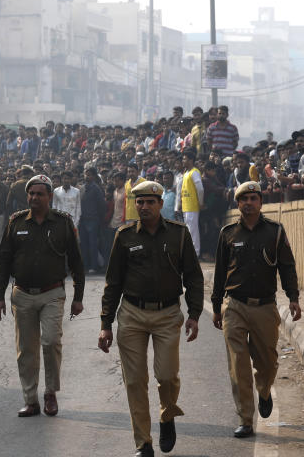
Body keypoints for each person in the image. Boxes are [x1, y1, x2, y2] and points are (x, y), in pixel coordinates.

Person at [98, 181, 204, 457]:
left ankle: (167, 416)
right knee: (135, 381)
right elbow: (113, 282)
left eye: (149, 202)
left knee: (167, 376)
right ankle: (143, 442)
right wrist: (105, 324)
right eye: (139, 202)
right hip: (132, 313)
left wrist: (194, 314)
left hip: (168, 314)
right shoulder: (124, 236)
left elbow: (193, 276)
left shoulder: (179, 235)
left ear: (160, 204)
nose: (144, 207)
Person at [211, 181, 301, 439]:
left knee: (268, 362)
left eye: (253, 198)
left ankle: (264, 391)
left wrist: (293, 297)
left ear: (260, 202)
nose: (248, 202)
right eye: (244, 199)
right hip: (235, 306)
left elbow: (287, 266)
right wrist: (216, 307)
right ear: (237, 203)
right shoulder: (227, 233)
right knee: (238, 364)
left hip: (265, 306)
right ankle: (245, 419)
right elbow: (219, 273)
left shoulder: (275, 231)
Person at [0, 174, 85, 417]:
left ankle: (50, 393)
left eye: (39, 194)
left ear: (49, 197)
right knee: (26, 349)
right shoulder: (16, 222)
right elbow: (3, 260)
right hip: (22, 294)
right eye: (31, 194)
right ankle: (31, 399)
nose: (34, 198)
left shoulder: (63, 223)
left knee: (51, 341)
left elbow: (76, 260)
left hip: (52, 293)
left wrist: (78, 297)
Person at [180, 149, 204, 258]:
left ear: (191, 160)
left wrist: (201, 202)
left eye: (184, 159)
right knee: (189, 231)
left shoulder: (194, 172)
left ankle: (196, 253)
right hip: (186, 206)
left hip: (192, 205)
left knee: (193, 231)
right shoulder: (186, 173)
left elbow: (200, 189)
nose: (183, 161)